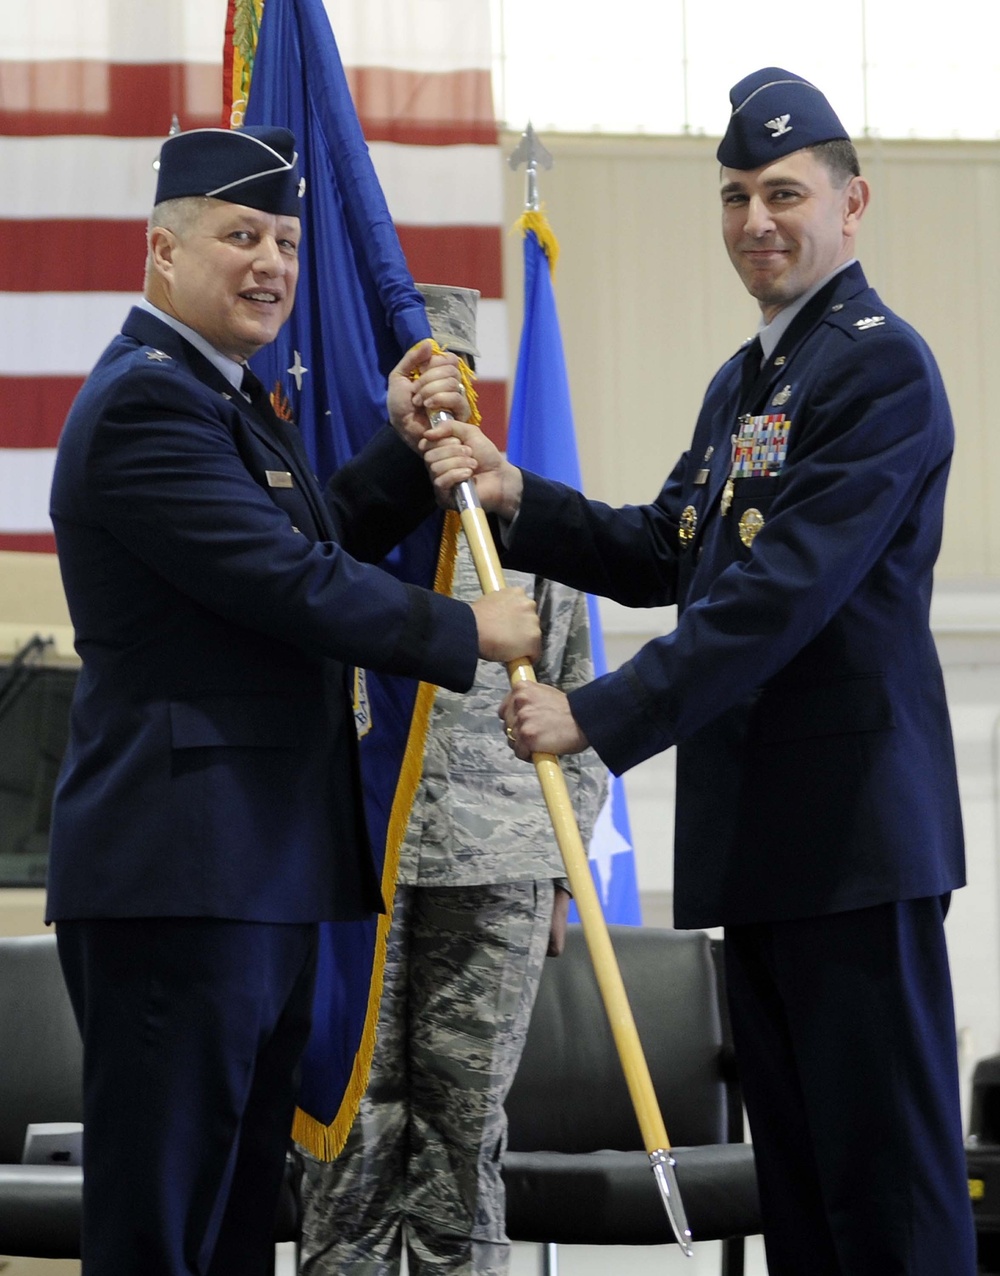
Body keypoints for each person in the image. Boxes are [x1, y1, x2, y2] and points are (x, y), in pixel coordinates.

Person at [422, 68, 977, 1276]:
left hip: (856, 843)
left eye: (782, 193)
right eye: (732, 197)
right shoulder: (749, 379)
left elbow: (781, 597)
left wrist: (596, 712)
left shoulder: (879, 368)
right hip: (769, 844)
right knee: (805, 1193)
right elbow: (671, 545)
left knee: (884, 1191)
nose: (754, 223)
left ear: (851, 202)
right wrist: (520, 500)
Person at [45, 124, 540, 1276]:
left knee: (229, 1227)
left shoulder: (226, 401)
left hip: (254, 868)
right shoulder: (143, 406)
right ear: (163, 253)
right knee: (160, 1224)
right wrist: (468, 630)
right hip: (179, 875)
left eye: (284, 240)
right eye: (239, 235)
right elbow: (286, 581)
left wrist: (398, 447)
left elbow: (299, 537)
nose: (270, 262)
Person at [295, 285, 606, 1276]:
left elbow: (580, 709)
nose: (440, 403)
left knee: (463, 1148)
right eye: (421, 381)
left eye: (455, 379)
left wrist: (563, 868)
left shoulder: (523, 526)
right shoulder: (334, 535)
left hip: (496, 865)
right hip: (359, 872)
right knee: (347, 1141)